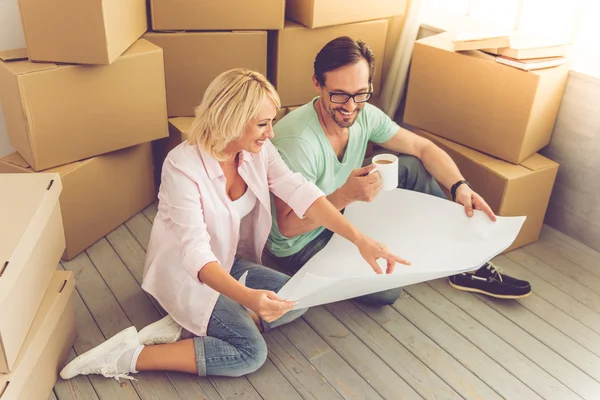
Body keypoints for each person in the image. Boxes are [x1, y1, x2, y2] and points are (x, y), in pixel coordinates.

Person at [58, 69, 408, 382]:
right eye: (262, 124)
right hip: (186, 274)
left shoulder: (257, 151)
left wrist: (360, 240)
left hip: (227, 263)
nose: (272, 133)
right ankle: (127, 355)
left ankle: (190, 327)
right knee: (249, 354)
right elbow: (195, 254)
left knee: (297, 299)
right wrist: (247, 298)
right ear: (232, 120)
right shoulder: (182, 167)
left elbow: (301, 192)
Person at [265, 36, 532, 302]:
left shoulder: (365, 113)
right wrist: (344, 196)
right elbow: (287, 227)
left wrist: (459, 186)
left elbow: (423, 149)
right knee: (386, 292)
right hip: (302, 241)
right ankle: (397, 245)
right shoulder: (299, 142)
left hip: (345, 207)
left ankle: (467, 261)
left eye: (360, 94)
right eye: (339, 95)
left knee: (412, 167)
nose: (350, 106)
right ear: (317, 84)